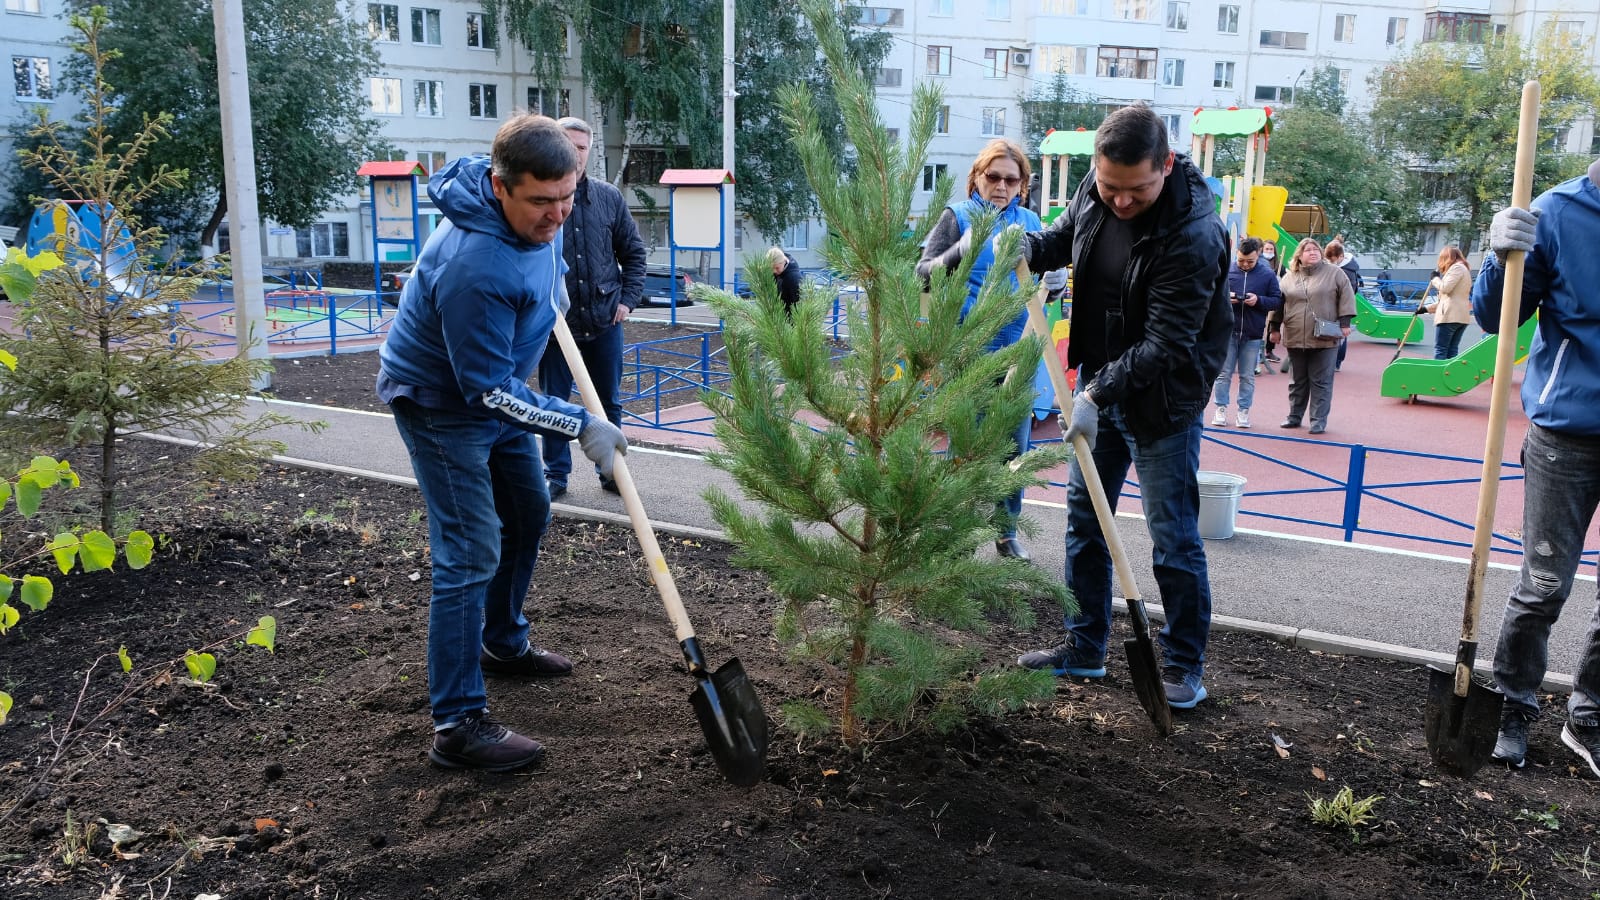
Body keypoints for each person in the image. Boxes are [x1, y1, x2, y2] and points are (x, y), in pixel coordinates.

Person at [377, 115, 629, 772]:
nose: (557, 215)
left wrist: (556, 290)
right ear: (499, 187)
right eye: (542, 203)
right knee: (470, 550)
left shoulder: (536, 222)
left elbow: (542, 279)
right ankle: (457, 724)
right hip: (443, 405)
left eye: (567, 199)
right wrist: (578, 425)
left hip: (497, 386)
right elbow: (485, 390)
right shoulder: (475, 262)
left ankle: (502, 642)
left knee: (529, 511)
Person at [1011, 105, 1232, 709]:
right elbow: (1065, 239)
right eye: (1109, 187)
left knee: (1173, 538)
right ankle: (1085, 648)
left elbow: (1167, 344)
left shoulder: (1193, 233)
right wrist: (1029, 246)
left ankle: (1184, 665)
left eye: (1136, 190)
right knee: (1085, 524)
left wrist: (1095, 393)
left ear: (1166, 165)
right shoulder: (1097, 187)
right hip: (1098, 389)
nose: (1120, 202)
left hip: (1162, 400)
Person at [1474, 157, 1600, 777]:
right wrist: (1500, 258)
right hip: (1568, 432)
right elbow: (1497, 316)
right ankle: (1513, 705)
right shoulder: (1557, 211)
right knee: (1544, 583)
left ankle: (1590, 713)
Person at [916, 138, 1044, 561]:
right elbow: (922, 273)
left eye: (1012, 179)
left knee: (1014, 448)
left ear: (1023, 184)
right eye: (994, 177)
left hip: (1018, 352)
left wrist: (1054, 283)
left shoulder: (1029, 221)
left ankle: (1006, 534)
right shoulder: (958, 215)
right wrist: (960, 250)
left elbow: (1040, 276)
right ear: (977, 177)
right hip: (969, 349)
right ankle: (955, 532)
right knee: (965, 445)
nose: (1002, 186)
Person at [537, 117, 647, 498]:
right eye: (568, 145)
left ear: (589, 151)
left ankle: (611, 472)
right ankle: (555, 477)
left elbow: (633, 254)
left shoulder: (608, 198)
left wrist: (628, 301)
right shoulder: (542, 197)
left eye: (582, 147)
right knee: (552, 405)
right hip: (555, 327)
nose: (576, 154)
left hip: (603, 323)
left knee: (608, 403)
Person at [1276, 238, 1354, 435]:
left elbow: (1346, 296)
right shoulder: (1288, 277)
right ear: (1299, 255)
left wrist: (1345, 323)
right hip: (1295, 335)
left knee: (1321, 381)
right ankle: (1294, 416)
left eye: (1316, 249)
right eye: (1307, 250)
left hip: (1324, 337)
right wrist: (1274, 328)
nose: (1313, 252)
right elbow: (1279, 304)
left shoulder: (1335, 273)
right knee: (1297, 380)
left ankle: (1318, 420)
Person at [1211, 237, 1282, 429]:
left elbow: (1277, 300)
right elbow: (1212, 295)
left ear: (1258, 255)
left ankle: (1243, 411)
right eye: (1241, 260)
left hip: (1253, 333)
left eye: (1250, 261)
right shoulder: (1227, 270)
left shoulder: (1267, 274)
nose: (1244, 264)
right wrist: (1227, 298)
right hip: (1227, 331)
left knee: (1247, 375)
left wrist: (1258, 300)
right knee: (1223, 373)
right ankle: (1221, 408)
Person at [1421, 246, 1471, 360]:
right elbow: (1450, 298)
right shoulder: (1464, 269)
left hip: (1449, 317)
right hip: (1461, 316)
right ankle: (1450, 376)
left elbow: (1445, 288)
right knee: (1452, 350)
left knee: (1441, 350)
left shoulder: (1456, 268)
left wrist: (1435, 279)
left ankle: (1437, 377)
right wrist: (1425, 309)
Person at [1322, 239, 1362, 370]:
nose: (1330, 263)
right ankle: (1331, 360)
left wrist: (1345, 320)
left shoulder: (1347, 272)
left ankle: (1337, 361)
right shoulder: (1338, 267)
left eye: (1332, 260)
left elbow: (1347, 297)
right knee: (1331, 334)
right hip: (1330, 307)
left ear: (1341, 257)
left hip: (1341, 309)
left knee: (1340, 335)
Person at [767, 246, 803, 319]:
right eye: (771, 268)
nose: (774, 271)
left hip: (789, 321)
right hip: (776, 317)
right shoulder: (776, 272)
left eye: (777, 268)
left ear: (784, 262)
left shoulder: (794, 278)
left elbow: (799, 304)